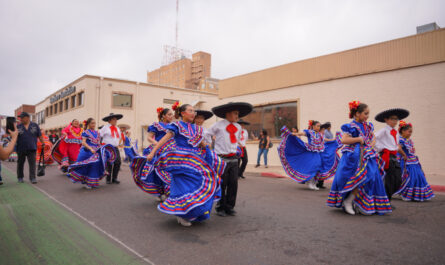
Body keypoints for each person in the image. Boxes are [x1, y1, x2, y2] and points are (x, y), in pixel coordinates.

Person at [146, 104, 225, 226]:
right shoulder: (177, 126)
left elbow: (201, 144)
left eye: (194, 111)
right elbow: (164, 140)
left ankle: (192, 211)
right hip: (180, 160)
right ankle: (181, 214)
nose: (193, 113)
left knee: (197, 184)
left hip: (195, 160)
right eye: (190, 111)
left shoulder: (197, 128)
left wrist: (207, 149)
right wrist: (152, 152)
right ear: (183, 113)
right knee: (182, 187)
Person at [327, 101, 391, 215]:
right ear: (357, 114)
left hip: (367, 155)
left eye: (368, 114)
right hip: (354, 156)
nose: (367, 116)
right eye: (365, 113)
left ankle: (360, 203)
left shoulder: (368, 125)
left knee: (370, 178)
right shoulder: (351, 126)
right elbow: (343, 140)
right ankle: (348, 200)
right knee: (357, 178)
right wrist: (358, 139)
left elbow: (373, 137)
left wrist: (371, 144)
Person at [207, 102, 253, 217]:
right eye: (235, 113)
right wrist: (209, 145)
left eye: (238, 114)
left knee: (233, 183)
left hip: (233, 159)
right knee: (223, 183)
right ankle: (220, 207)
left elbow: (238, 140)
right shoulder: (218, 125)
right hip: (221, 159)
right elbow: (207, 134)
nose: (237, 116)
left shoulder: (238, 127)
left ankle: (230, 206)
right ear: (228, 114)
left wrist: (239, 147)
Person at [278, 120, 339, 190]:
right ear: (313, 126)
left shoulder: (319, 134)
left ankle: (313, 183)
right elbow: (302, 134)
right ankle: (310, 182)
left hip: (318, 153)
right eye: (317, 126)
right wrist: (293, 134)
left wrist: (333, 139)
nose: (319, 127)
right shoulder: (310, 132)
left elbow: (325, 139)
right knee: (314, 166)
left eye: (319, 126)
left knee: (318, 166)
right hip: (311, 153)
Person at [132, 107, 175, 202]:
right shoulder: (156, 125)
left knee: (171, 171)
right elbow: (149, 138)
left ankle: (170, 192)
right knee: (160, 171)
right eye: (169, 114)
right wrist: (157, 144)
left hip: (171, 151)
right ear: (163, 115)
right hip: (159, 150)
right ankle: (160, 191)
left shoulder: (173, 126)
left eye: (172, 114)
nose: (171, 116)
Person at [68, 118, 117, 189]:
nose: (93, 125)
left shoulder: (97, 132)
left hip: (95, 151)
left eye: (94, 123)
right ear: (88, 124)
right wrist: (90, 149)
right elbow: (83, 142)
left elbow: (98, 143)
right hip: (87, 151)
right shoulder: (86, 132)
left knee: (96, 165)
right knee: (87, 166)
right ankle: (87, 182)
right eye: (92, 123)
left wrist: (102, 148)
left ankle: (92, 182)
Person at [375, 108, 409, 207]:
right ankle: (386, 202)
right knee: (389, 180)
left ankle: (386, 199)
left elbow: (396, 145)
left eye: (396, 119)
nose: (395, 121)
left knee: (398, 180)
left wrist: (403, 154)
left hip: (394, 157)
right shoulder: (384, 130)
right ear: (386, 120)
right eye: (392, 119)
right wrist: (380, 148)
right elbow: (373, 138)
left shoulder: (396, 133)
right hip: (386, 156)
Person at [395, 121, 434, 201]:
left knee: (419, 176)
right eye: (409, 131)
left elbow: (411, 149)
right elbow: (398, 148)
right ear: (403, 131)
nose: (410, 133)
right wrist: (404, 155)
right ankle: (405, 193)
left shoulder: (408, 140)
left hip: (413, 161)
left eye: (411, 132)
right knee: (409, 177)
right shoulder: (401, 140)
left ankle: (415, 194)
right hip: (406, 162)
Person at [16, 112, 45, 184]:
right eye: (20, 118)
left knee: (32, 164)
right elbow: (14, 137)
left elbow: (40, 135)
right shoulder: (18, 126)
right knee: (20, 163)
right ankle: (20, 177)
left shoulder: (35, 125)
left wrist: (43, 143)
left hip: (32, 148)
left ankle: (32, 178)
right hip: (20, 148)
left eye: (22, 117)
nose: (21, 119)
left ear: (27, 117)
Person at [100, 113, 124, 184]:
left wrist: (120, 144)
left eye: (116, 119)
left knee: (118, 162)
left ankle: (114, 178)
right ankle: (108, 179)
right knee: (109, 163)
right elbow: (99, 135)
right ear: (110, 120)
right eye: (114, 119)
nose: (116, 120)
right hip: (108, 147)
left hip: (115, 147)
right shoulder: (105, 127)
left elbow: (119, 138)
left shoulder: (117, 128)